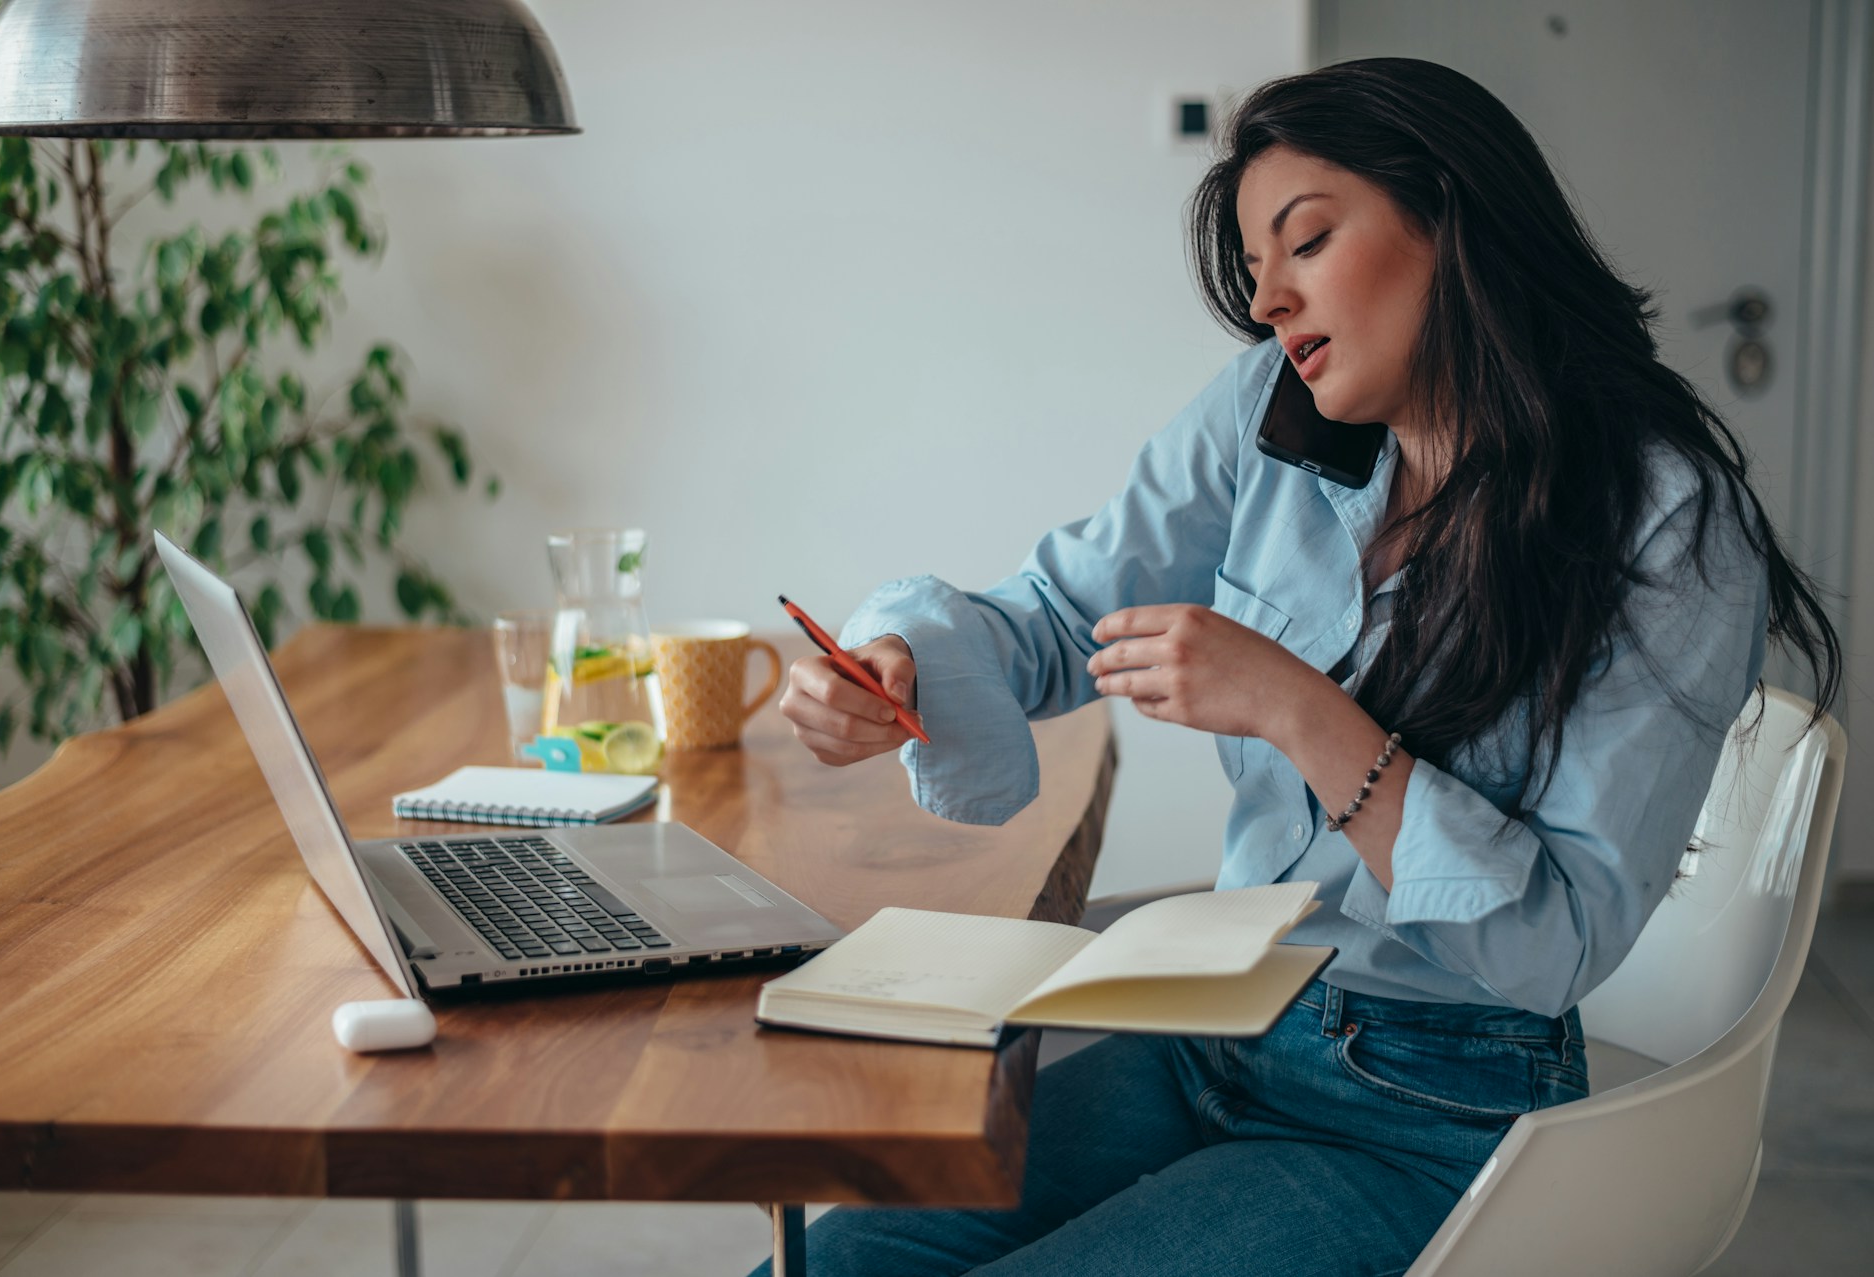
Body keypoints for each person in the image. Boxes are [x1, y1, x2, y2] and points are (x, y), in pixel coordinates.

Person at [757, 56, 1841, 1277]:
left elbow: (1552, 942)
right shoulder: (1265, 417)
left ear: (1453, 220)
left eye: (1306, 242)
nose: (1269, 301)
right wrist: (901, 661)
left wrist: (1291, 703)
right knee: (836, 1260)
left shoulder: (1664, 525)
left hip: (1430, 1102)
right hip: (1214, 1025)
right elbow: (1061, 613)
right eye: (1255, 269)